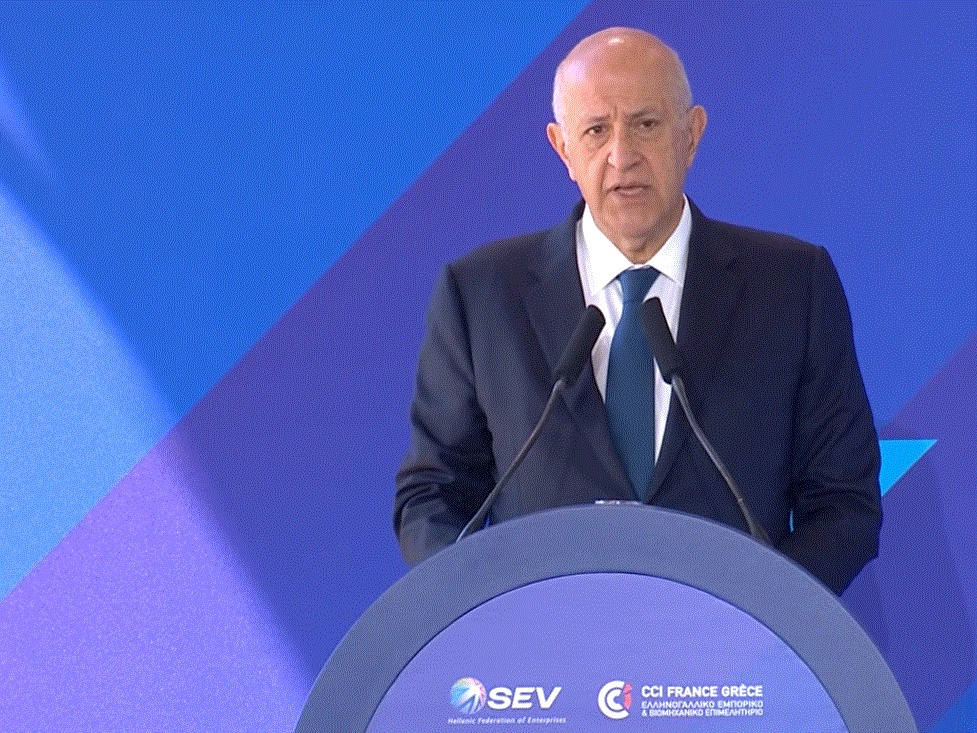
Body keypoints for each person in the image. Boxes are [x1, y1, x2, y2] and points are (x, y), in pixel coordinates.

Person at [393, 27, 881, 595]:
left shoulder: (792, 286)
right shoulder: (481, 296)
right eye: (596, 130)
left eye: (646, 124)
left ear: (691, 135)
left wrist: (762, 616)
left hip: (730, 647)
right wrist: (494, 615)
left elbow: (843, 503)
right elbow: (432, 496)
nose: (621, 156)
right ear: (563, 148)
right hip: (546, 644)